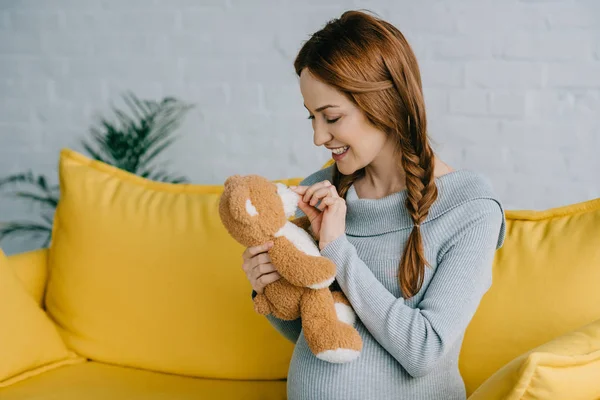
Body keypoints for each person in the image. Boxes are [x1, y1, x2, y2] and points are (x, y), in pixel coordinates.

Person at [241, 10, 506, 400]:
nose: (318, 137)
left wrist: (336, 249)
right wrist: (266, 285)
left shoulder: (470, 209)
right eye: (311, 117)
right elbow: (316, 332)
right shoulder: (321, 191)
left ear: (385, 103)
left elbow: (424, 350)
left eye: (331, 117)